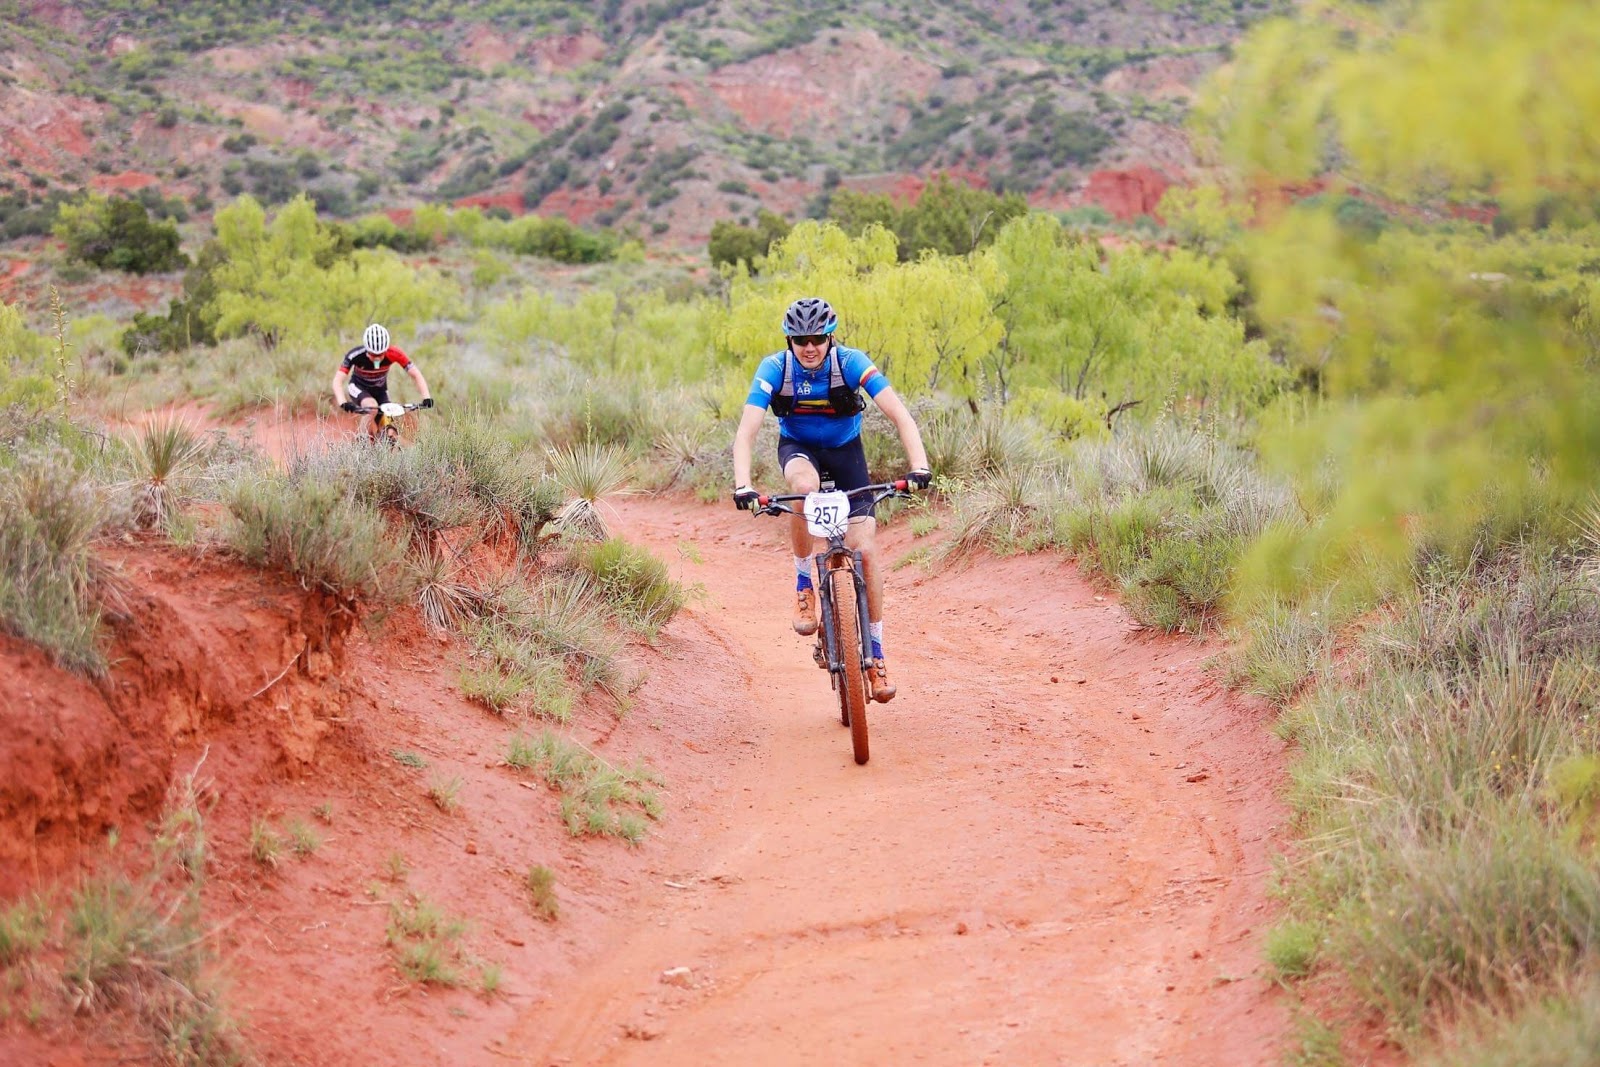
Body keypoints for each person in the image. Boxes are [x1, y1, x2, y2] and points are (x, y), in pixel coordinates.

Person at [731, 297, 931, 703]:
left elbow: (900, 414)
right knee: (804, 489)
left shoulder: (851, 362)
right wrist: (743, 485)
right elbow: (747, 431)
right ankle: (805, 586)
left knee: (868, 553)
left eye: (818, 338)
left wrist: (919, 466)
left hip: (846, 455)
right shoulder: (775, 369)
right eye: (801, 339)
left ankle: (875, 657)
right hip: (799, 450)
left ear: (830, 337)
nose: (810, 347)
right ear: (790, 340)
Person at [331, 323, 433, 436]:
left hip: (380, 391)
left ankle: (385, 445)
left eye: (381, 354)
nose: (377, 358)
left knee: (391, 430)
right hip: (358, 387)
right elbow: (337, 381)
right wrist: (343, 402)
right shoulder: (355, 355)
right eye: (373, 355)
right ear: (366, 350)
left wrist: (426, 397)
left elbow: (416, 374)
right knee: (372, 408)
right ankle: (362, 441)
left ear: (386, 349)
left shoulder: (395, 353)